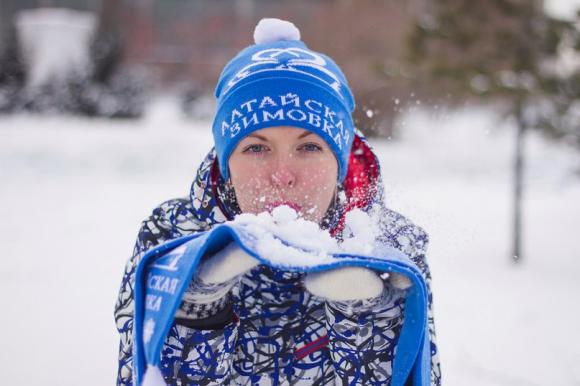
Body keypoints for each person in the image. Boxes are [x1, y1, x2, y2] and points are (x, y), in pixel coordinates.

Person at [115, 18, 441, 386]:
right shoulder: (173, 235)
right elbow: (138, 375)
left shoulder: (390, 248)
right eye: (256, 147)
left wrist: (366, 315)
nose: (283, 174)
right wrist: (198, 310)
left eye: (309, 147)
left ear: (340, 163)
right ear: (226, 163)